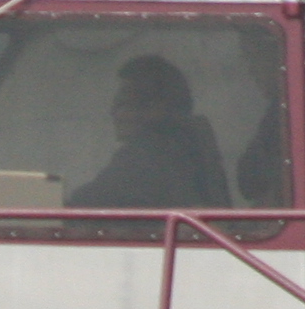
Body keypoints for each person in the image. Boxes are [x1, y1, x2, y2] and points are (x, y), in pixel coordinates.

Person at [68, 55, 228, 209]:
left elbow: (87, 203)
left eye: (123, 104)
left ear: (156, 108)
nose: (113, 113)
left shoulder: (146, 154)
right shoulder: (193, 150)